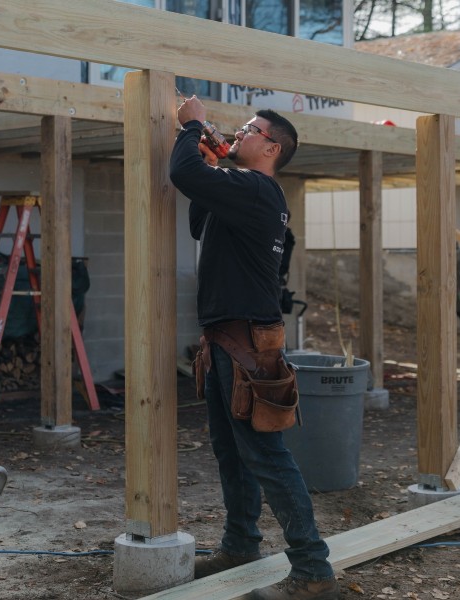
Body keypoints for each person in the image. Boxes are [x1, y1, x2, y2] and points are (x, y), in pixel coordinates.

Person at [170, 96, 339, 600]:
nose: (240, 132)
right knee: (232, 452)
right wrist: (212, 157)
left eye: (250, 129)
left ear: (271, 147)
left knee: (266, 454)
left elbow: (184, 176)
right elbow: (200, 217)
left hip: (245, 342)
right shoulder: (243, 192)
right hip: (229, 340)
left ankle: (313, 571)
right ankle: (241, 544)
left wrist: (192, 126)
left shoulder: (260, 190)